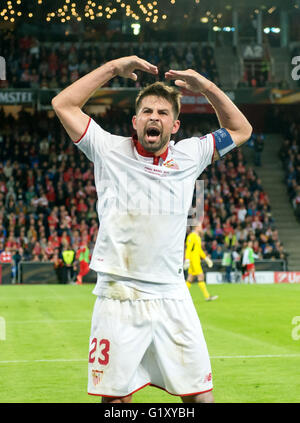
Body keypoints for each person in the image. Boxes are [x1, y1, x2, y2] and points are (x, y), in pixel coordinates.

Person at [52, 55, 252, 403]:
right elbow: (63, 103)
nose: (154, 118)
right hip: (118, 294)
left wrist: (205, 87)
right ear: (135, 120)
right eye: (147, 111)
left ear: (174, 126)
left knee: (201, 397)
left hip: (172, 294)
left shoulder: (191, 155)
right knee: (115, 400)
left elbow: (240, 130)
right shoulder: (108, 149)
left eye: (163, 113)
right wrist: (114, 68)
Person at [184, 225, 217, 300]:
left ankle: (181, 296)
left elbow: (199, 250)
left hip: (195, 260)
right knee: (201, 276)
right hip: (193, 260)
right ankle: (207, 296)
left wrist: (206, 259)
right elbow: (188, 248)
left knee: (190, 278)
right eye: (200, 227)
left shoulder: (197, 237)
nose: (202, 228)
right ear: (196, 227)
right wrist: (187, 259)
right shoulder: (192, 236)